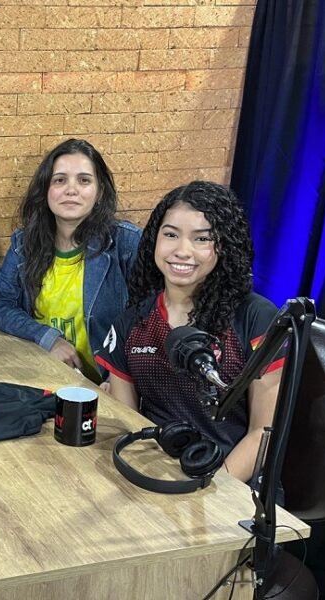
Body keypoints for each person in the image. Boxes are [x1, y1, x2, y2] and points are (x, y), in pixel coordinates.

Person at [95, 181, 283, 485]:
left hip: (231, 485)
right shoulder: (130, 324)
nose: (182, 251)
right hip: (156, 474)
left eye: (202, 239)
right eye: (170, 235)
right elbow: (129, 423)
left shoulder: (256, 319)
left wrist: (215, 489)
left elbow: (263, 433)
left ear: (225, 246)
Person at [0, 138, 141, 383]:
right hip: (44, 379)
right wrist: (48, 338)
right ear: (45, 189)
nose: (71, 190)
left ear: (99, 191)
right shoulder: (24, 243)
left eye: (84, 180)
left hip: (106, 387)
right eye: (60, 180)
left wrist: (121, 382)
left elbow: (152, 319)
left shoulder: (126, 244)